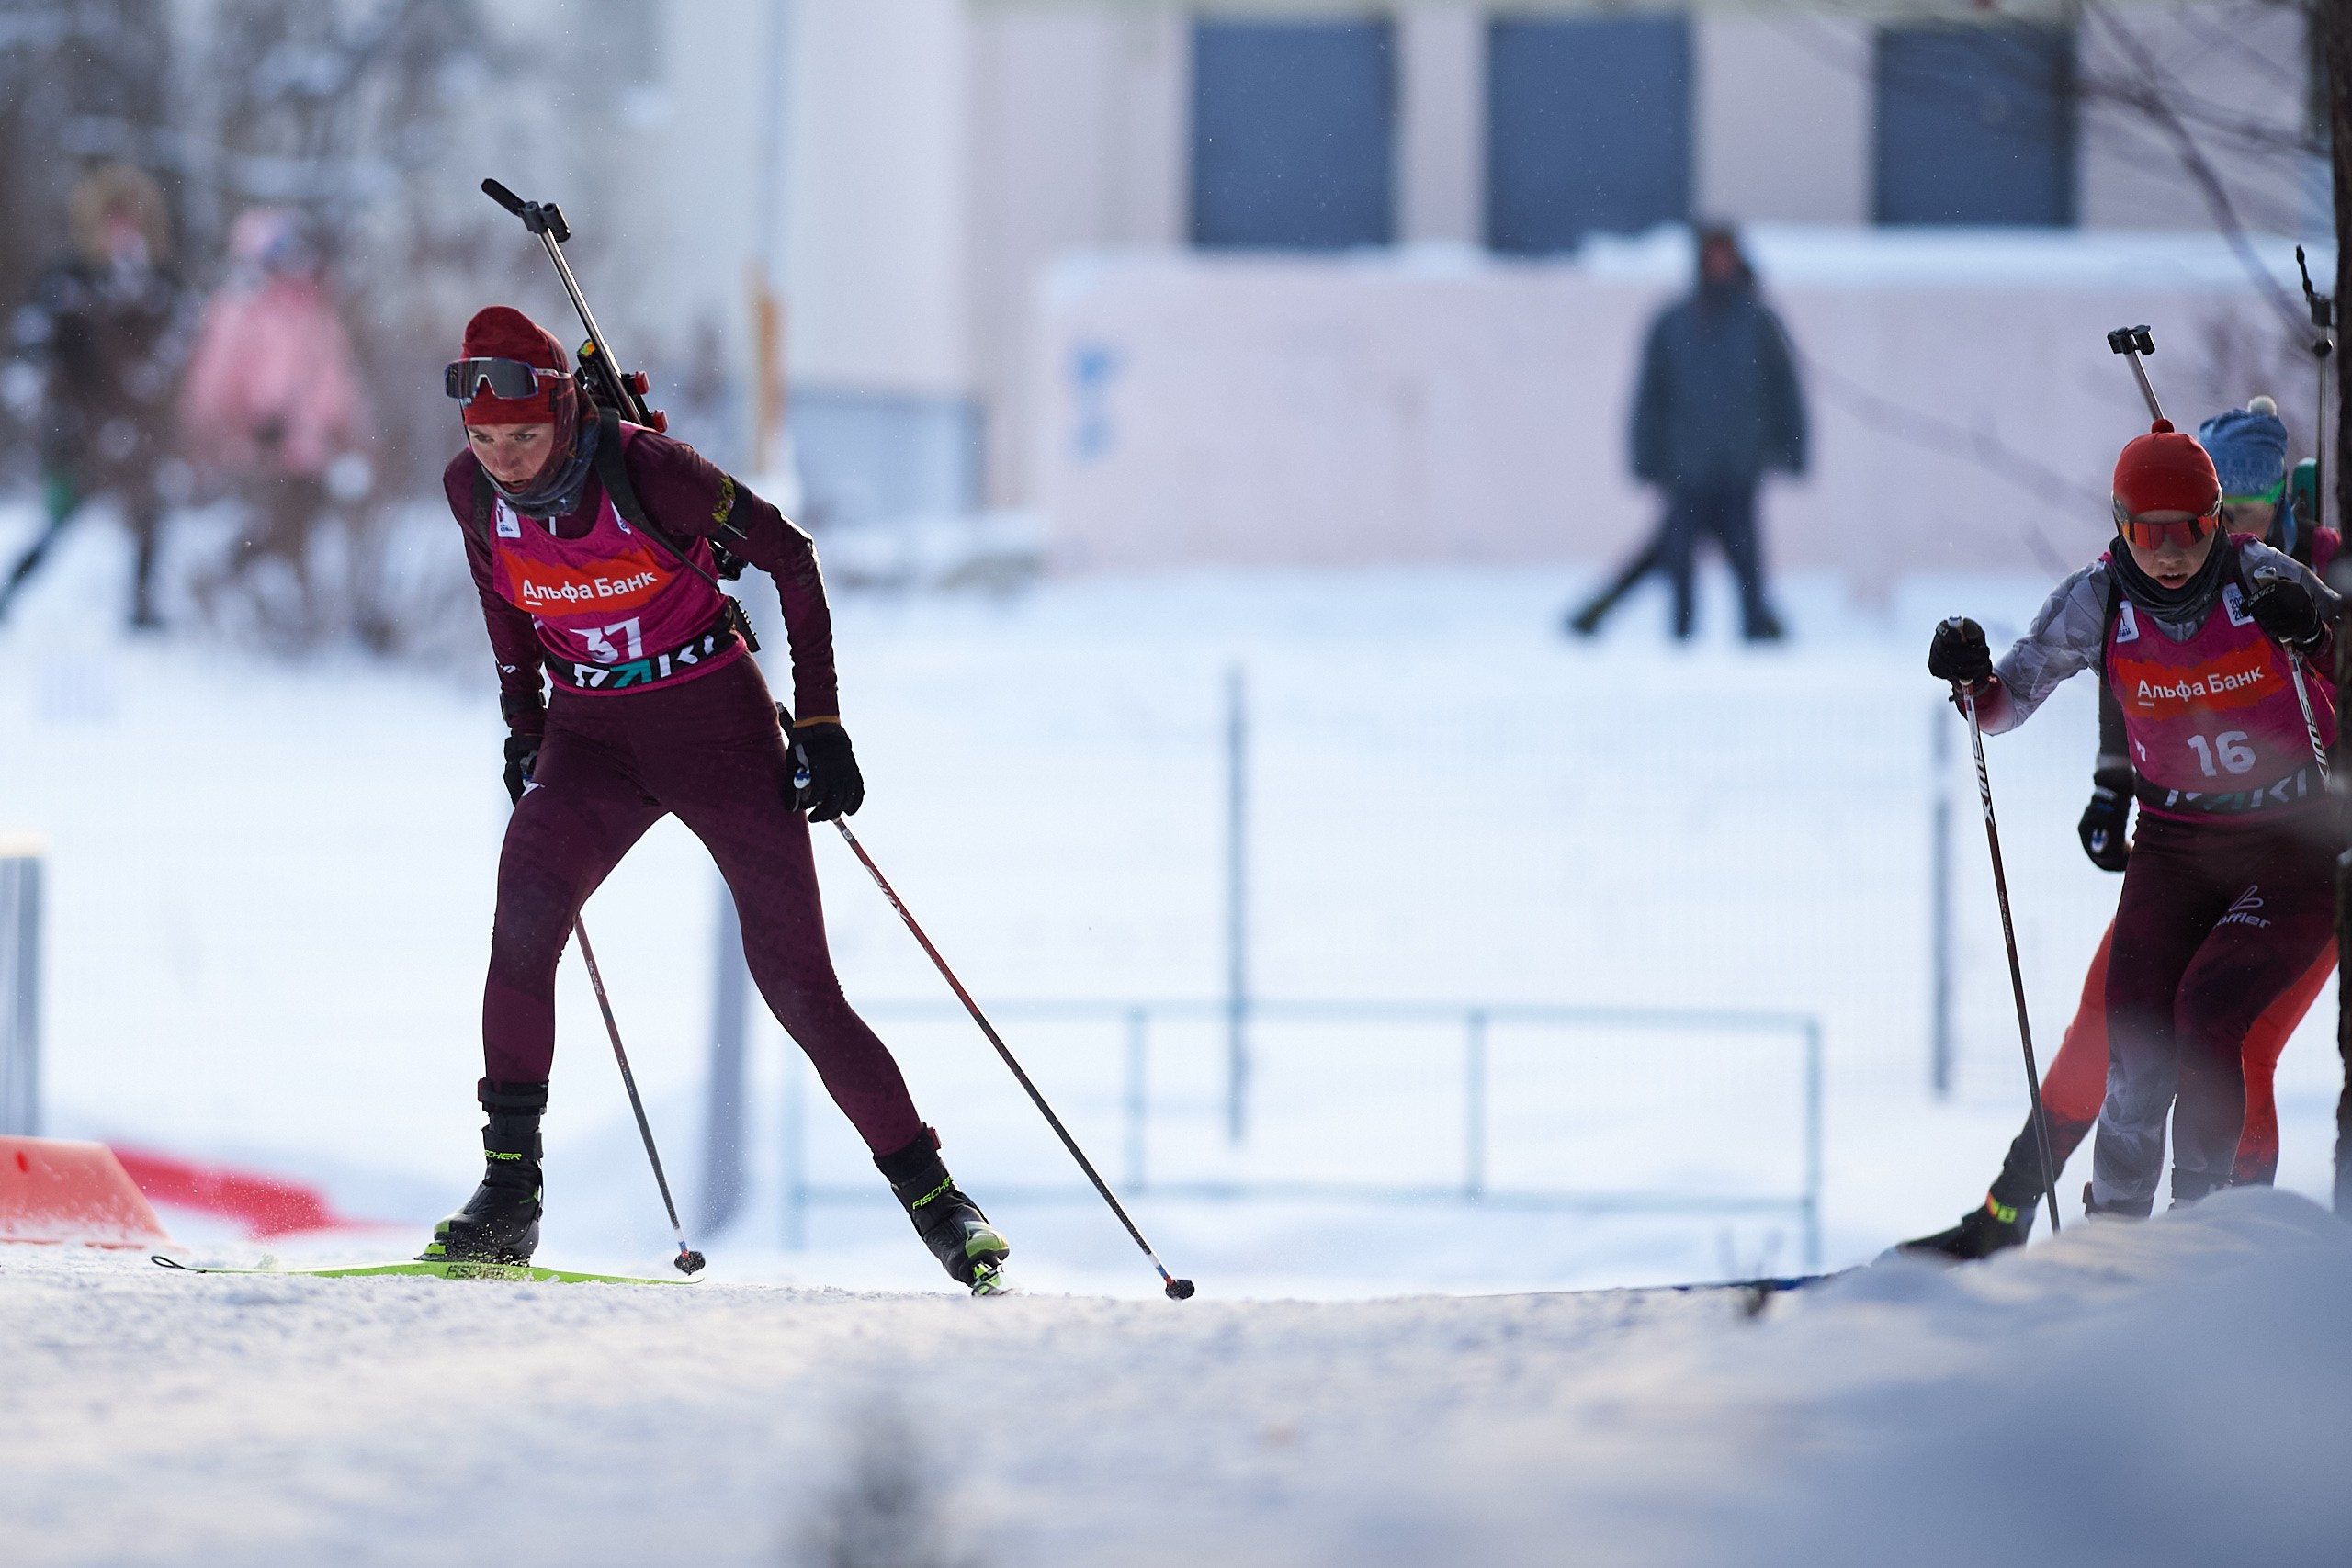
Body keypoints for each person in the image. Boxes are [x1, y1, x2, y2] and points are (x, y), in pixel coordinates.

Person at [425, 305, 1010, 1292]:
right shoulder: (471, 494)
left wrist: (819, 725)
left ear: (563, 413)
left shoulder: (651, 470)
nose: (506, 461)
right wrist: (522, 720)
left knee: (796, 984)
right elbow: (501, 600)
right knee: (523, 923)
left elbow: (791, 556)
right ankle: (507, 1197)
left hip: (718, 728)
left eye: (523, 437)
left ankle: (939, 1203)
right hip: (590, 737)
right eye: (485, 441)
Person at [1904, 397, 2338, 1259]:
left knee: (2215, 1021)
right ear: (2120, 527)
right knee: (2131, 1029)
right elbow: (2006, 700)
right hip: (2177, 843)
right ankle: (2106, 1250)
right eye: (2151, 534)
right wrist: (1969, 678)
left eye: (2194, 529)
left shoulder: (2267, 578)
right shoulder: (2099, 599)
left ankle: (2209, 1237)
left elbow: (2341, 654)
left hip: (2290, 840)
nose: (2174, 553)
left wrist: (2318, 634)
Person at [1566, 224, 1806, 642]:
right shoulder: (1674, 323)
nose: (1718, 265)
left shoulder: (1758, 324)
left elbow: (1784, 391)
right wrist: (1645, 457)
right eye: (1710, 256)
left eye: (1724, 256)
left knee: (1743, 558)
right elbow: (1649, 397)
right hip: (1685, 466)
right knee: (1677, 560)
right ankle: (1682, 640)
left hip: (1739, 464)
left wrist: (1792, 449)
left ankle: (1758, 635)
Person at [0, 164, 188, 629]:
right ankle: (9, 594)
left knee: (148, 518)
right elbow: (35, 343)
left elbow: (176, 354)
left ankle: (141, 609)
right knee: (58, 519)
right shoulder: (68, 280)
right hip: (78, 428)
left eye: (131, 220)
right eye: (112, 220)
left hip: (139, 430)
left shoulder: (162, 287)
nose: (121, 232)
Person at [177, 207, 369, 620]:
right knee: (267, 528)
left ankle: (293, 612)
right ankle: (224, 590)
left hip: (309, 445)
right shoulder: (238, 312)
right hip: (256, 444)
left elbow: (334, 375)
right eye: (281, 253)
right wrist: (235, 426)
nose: (294, 263)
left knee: (300, 529)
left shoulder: (315, 311)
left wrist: (342, 425)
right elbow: (214, 379)